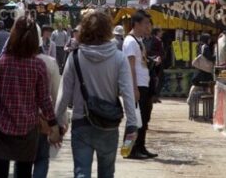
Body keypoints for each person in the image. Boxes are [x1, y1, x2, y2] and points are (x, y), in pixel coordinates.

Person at [56, 10, 137, 178]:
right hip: (109, 125)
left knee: (81, 172)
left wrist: (56, 122)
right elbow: (128, 93)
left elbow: (64, 94)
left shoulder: (75, 57)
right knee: (107, 173)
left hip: (81, 123)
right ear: (108, 30)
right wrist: (132, 123)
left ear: (84, 30)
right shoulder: (119, 58)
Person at [0, 18, 60, 178]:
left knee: (0, 174)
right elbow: (44, 100)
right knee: (24, 173)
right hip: (27, 130)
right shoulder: (38, 65)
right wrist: (54, 124)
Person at [15, 25, 61, 178]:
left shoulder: (10, 61)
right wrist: (57, 123)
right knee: (42, 158)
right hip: (42, 120)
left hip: (17, 120)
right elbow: (55, 95)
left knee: (21, 160)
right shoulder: (48, 62)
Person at [122, 10, 157, 159]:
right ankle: (129, 150)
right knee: (135, 119)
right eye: (145, 24)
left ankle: (140, 146)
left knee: (143, 118)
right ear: (136, 24)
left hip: (144, 83)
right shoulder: (130, 42)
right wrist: (134, 88)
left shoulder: (139, 40)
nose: (147, 27)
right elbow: (130, 67)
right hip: (137, 86)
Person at [187, 33, 215, 107]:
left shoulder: (199, 45)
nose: (210, 40)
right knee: (207, 85)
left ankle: (190, 99)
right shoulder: (205, 47)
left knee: (196, 84)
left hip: (200, 69)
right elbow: (209, 57)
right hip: (204, 70)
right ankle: (209, 103)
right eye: (209, 39)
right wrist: (215, 57)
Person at [146, 28, 166, 103]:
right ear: (157, 32)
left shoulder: (157, 40)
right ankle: (153, 96)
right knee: (156, 79)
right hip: (153, 63)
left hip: (157, 62)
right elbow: (152, 51)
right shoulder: (154, 40)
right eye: (161, 32)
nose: (162, 33)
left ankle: (155, 96)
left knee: (158, 79)